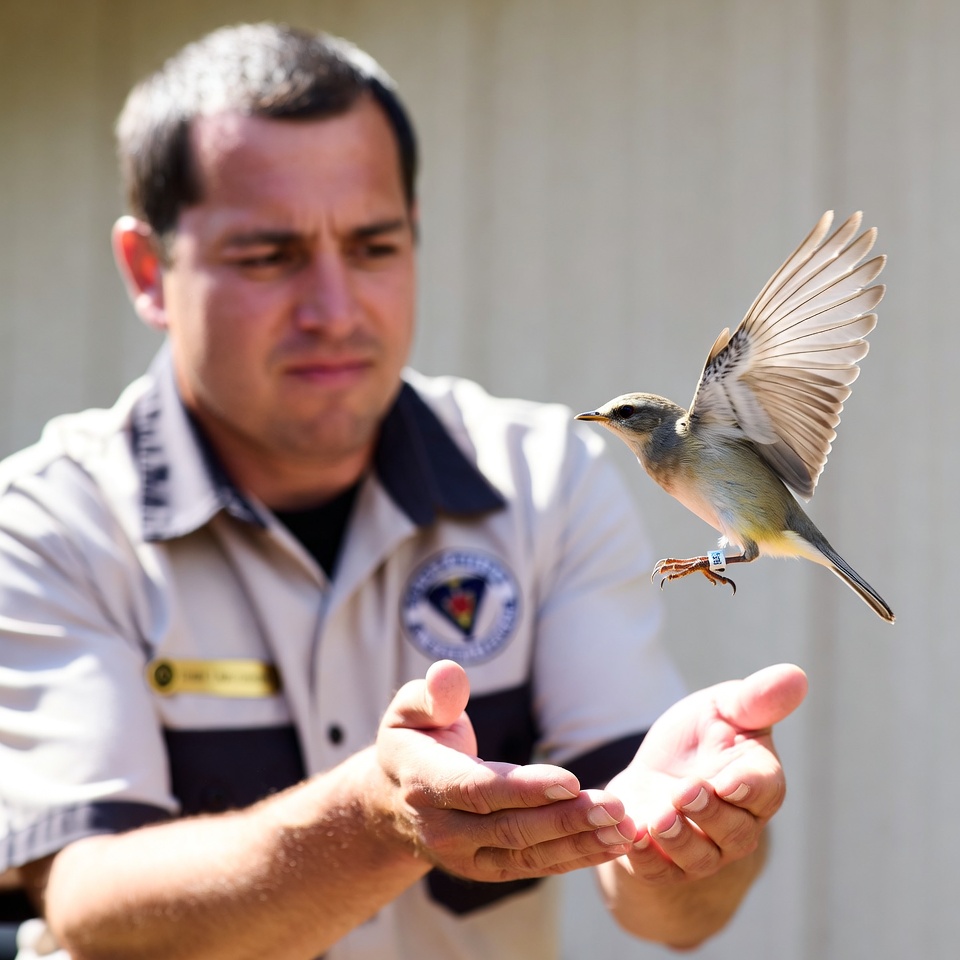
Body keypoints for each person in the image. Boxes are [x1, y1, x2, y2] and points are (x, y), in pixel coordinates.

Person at [0, 22, 808, 960]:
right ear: (150, 271)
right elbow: (88, 904)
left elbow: (672, 911)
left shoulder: (546, 479)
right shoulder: (48, 522)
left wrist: (692, 831)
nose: (334, 308)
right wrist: (373, 821)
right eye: (267, 256)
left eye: (374, 245)